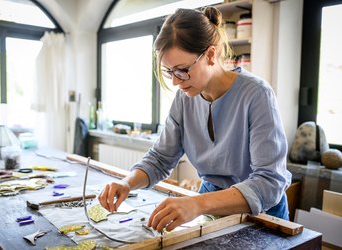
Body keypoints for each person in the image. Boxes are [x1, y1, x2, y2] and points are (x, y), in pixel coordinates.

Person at [98, 6, 292, 233]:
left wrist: (197, 204)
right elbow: (160, 158)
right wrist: (127, 183)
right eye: (169, 72)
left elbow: (269, 182)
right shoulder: (184, 98)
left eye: (182, 70)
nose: (175, 82)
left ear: (210, 55)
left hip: (262, 217)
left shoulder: (257, 94)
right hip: (209, 207)